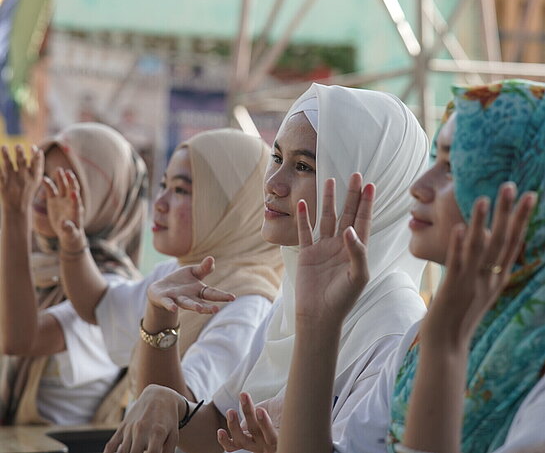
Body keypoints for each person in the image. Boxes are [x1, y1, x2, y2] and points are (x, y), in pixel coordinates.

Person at [104, 82, 430, 453]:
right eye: (276, 158)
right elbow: (219, 429)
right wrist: (172, 405)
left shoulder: (394, 332)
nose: (274, 184)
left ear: (371, 190)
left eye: (304, 166)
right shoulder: (289, 303)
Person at [268, 79, 545, 453]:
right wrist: (317, 324)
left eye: (453, 167)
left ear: (522, 192)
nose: (420, 185)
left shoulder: (420, 332)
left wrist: (444, 349)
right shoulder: (418, 341)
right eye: (435, 161)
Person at [48, 128, 284, 407]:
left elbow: (177, 410)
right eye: (163, 186)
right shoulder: (174, 275)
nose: (159, 204)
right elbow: (97, 305)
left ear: (230, 207)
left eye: (181, 190)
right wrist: (71, 240)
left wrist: (159, 320)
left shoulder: (245, 306)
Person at [0, 123, 147, 425]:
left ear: (106, 201)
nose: (42, 191)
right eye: (40, 176)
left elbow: (16, 339)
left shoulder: (111, 292)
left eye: (66, 184)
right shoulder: (31, 259)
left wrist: (16, 215)